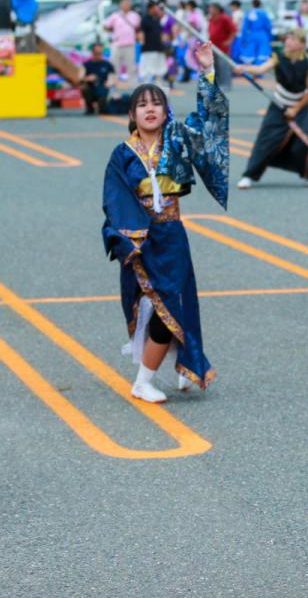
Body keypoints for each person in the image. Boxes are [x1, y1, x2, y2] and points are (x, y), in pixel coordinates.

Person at [101, 42, 229, 404]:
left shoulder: (177, 139)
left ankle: (181, 367)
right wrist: (129, 238)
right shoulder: (123, 154)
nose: (150, 109)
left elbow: (209, 124)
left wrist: (206, 72)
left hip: (172, 235)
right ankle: (144, 380)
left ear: (165, 110)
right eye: (142, 104)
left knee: (177, 302)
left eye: (156, 102)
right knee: (163, 306)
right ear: (132, 114)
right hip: (142, 239)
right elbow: (114, 198)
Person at [234, 28, 308, 189]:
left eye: (292, 39)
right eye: (287, 38)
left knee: (306, 143)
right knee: (265, 141)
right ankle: (249, 176)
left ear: (301, 43)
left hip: (300, 106)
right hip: (278, 104)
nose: (287, 41)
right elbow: (261, 69)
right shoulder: (279, 57)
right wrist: (244, 68)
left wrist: (295, 110)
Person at [104, 0, 141, 82]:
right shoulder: (115, 15)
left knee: (131, 65)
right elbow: (106, 26)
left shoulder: (135, 16)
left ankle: (132, 83)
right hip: (117, 43)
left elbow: (138, 28)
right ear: (121, 5)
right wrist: (113, 32)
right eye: (124, 4)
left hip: (130, 44)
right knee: (114, 64)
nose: (126, 6)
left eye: (127, 4)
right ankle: (113, 82)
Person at [207, 3, 237, 90]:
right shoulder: (211, 18)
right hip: (213, 46)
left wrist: (229, 41)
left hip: (223, 47)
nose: (210, 10)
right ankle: (218, 83)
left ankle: (226, 84)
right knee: (215, 66)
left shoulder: (225, 18)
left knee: (224, 66)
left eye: (212, 8)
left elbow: (233, 30)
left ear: (217, 9)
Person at [81, 43, 116, 114]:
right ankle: (89, 107)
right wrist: (88, 78)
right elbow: (80, 78)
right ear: (92, 52)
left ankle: (101, 106)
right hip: (91, 88)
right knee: (84, 88)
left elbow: (113, 77)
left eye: (100, 53)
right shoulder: (86, 64)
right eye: (96, 53)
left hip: (103, 89)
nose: (98, 55)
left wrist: (110, 81)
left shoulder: (107, 64)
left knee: (103, 110)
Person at [138, 1, 167, 84]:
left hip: (159, 49)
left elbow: (161, 34)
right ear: (150, 9)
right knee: (147, 71)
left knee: (160, 71)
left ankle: (159, 88)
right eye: (156, 8)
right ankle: (145, 88)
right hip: (148, 49)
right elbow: (141, 34)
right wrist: (142, 45)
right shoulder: (145, 20)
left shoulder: (157, 20)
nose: (157, 10)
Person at [238, 0, 273, 66]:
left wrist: (243, 39)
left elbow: (244, 28)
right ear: (260, 4)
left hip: (252, 35)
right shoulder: (264, 13)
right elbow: (268, 26)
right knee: (263, 53)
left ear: (252, 4)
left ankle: (251, 71)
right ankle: (260, 71)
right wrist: (270, 37)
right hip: (263, 35)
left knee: (250, 53)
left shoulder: (248, 13)